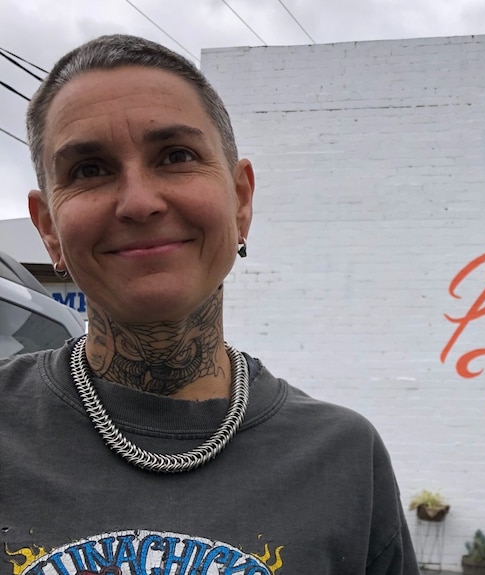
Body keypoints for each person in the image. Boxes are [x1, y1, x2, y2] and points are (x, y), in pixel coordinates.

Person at [0, 34, 419, 575]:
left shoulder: (342, 459)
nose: (139, 202)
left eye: (176, 156)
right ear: (47, 229)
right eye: (89, 170)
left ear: (240, 200)